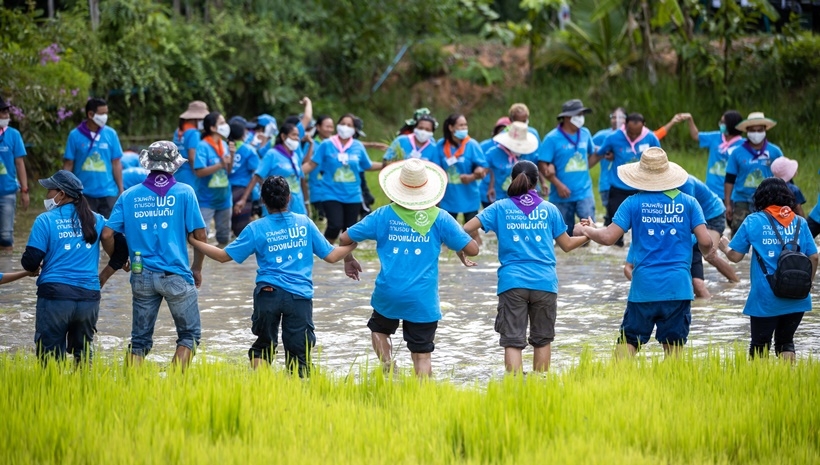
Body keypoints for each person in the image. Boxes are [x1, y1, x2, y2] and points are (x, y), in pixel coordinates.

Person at [188, 176, 357, 374]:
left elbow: (223, 257)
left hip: (268, 293)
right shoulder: (304, 223)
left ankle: (260, 388)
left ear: (263, 201)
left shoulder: (256, 228)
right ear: (289, 198)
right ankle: (298, 393)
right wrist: (351, 244)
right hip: (299, 296)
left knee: (263, 348)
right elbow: (331, 256)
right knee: (299, 355)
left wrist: (194, 241)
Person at [339, 159, 479, 377]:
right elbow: (473, 250)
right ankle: (422, 397)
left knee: (379, 329)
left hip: (389, 292)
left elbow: (344, 237)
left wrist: (348, 259)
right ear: (428, 188)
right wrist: (458, 246)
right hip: (423, 298)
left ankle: (389, 368)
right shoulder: (440, 218)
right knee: (422, 354)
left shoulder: (383, 215)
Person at [574, 148, 713, 357]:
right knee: (674, 351)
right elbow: (706, 242)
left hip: (644, 287)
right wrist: (702, 248)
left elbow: (608, 237)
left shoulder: (633, 202)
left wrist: (585, 229)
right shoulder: (689, 203)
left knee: (628, 342)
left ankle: (617, 385)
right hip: (678, 287)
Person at [462, 160, 589, 373]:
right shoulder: (549, 209)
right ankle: (539, 388)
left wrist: (463, 251)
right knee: (542, 340)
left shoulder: (500, 207)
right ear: (536, 181)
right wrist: (585, 234)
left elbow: (466, 227)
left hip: (512, 283)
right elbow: (566, 245)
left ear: (513, 180)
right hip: (545, 282)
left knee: (512, 341)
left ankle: (515, 389)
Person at [102, 141, 207, 369]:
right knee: (189, 336)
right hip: (176, 273)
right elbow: (200, 235)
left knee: (139, 341)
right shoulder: (185, 193)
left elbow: (107, 234)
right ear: (174, 165)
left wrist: (120, 260)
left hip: (141, 274)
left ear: (148, 164)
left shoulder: (129, 196)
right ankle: (175, 386)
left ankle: (130, 389)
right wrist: (196, 267)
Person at [20, 171, 116, 363]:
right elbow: (119, 250)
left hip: (55, 297)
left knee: (50, 360)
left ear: (61, 194)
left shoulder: (45, 220)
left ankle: (51, 392)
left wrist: (37, 265)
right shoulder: (97, 220)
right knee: (84, 356)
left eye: (49, 190)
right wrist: (105, 274)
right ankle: (84, 391)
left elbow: (30, 262)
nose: (47, 195)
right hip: (89, 297)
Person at [718, 178, 817, 361]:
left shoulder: (753, 221)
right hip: (798, 296)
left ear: (760, 198)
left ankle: (757, 384)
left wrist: (724, 247)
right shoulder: (800, 222)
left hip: (766, 297)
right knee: (786, 342)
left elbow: (736, 257)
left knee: (759, 346)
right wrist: (808, 283)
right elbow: (815, 256)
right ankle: (789, 382)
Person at [303, 114, 382, 242]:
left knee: (349, 231)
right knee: (335, 225)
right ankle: (325, 252)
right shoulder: (327, 144)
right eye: (343, 124)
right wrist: (295, 172)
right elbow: (312, 164)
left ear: (355, 130)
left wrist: (386, 165)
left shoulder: (358, 146)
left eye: (349, 125)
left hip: (353, 195)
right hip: (330, 193)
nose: (345, 127)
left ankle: (347, 259)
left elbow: (367, 165)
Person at [593, 112, 662, 246]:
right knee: (615, 229)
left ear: (644, 126)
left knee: (645, 227)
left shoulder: (651, 138)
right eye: (631, 132)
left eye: (637, 133)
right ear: (625, 126)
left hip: (643, 189)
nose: (634, 136)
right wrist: (609, 154)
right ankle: (615, 251)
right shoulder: (613, 137)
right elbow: (600, 152)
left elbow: (660, 158)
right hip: (619, 188)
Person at [538, 99, 595, 235]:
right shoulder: (552, 138)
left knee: (589, 233)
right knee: (563, 236)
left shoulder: (585, 133)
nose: (581, 118)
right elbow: (542, 164)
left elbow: (592, 155)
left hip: (584, 192)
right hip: (561, 195)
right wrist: (558, 185)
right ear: (567, 117)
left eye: (582, 114)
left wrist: (606, 154)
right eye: (578, 114)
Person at [679, 175, 740, 296]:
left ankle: (736, 282)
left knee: (709, 254)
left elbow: (689, 213)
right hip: (700, 216)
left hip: (713, 214)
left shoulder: (687, 184)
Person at [63, 97, 124, 218]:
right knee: (87, 231)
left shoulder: (110, 134)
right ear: (90, 114)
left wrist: (121, 190)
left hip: (108, 192)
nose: (105, 116)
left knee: (109, 233)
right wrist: (65, 189)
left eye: (106, 113)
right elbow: (68, 164)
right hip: (84, 193)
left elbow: (116, 163)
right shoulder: (75, 135)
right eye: (102, 113)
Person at [725, 112, 783, 236]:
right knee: (738, 235)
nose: (756, 133)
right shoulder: (737, 153)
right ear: (747, 131)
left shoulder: (775, 151)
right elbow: (729, 179)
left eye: (759, 130)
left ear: (765, 130)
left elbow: (785, 176)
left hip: (769, 200)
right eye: (753, 130)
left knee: (768, 235)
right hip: (742, 200)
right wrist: (728, 204)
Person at [236, 123, 307, 216]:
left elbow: (300, 179)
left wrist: (306, 202)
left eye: (298, 135)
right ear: (283, 136)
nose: (297, 138)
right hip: (276, 206)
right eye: (293, 135)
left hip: (297, 205)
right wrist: (243, 199)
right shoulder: (272, 154)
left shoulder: (295, 156)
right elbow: (257, 176)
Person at [434, 113, 487, 225]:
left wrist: (473, 175)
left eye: (465, 125)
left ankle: (477, 243)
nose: (464, 128)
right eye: (461, 125)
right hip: (448, 196)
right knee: (448, 229)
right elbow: (436, 168)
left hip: (469, 195)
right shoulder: (441, 145)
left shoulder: (472, 145)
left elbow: (483, 167)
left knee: (471, 230)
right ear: (451, 127)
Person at [679, 110, 745, 198]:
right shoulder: (715, 137)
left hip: (731, 193)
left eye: (723, 122)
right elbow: (695, 135)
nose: (720, 124)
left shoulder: (743, 145)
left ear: (731, 125)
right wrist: (690, 120)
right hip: (712, 190)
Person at [194, 111, 234, 246]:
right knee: (201, 237)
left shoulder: (224, 145)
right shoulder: (202, 146)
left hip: (224, 198)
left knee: (224, 238)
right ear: (212, 128)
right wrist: (220, 164)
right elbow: (199, 172)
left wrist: (232, 155)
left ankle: (223, 267)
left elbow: (228, 171)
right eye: (222, 123)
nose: (225, 125)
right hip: (206, 199)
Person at [485, 121, 539, 206]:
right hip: (497, 198)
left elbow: (536, 169)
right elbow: (485, 170)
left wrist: (542, 183)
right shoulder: (493, 154)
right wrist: (490, 187)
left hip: (520, 199)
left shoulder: (528, 154)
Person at [0, 96, 29, 251]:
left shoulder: (14, 135)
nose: (6, 117)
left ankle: (5, 269)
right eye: (3, 113)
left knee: (6, 236)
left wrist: (25, 190)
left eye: (7, 113)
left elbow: (20, 163)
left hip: (8, 192)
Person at [227, 121, 260, 236]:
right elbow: (257, 174)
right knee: (242, 232)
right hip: (242, 192)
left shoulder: (224, 148)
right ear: (243, 134)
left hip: (226, 191)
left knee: (227, 229)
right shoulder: (249, 150)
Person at [591, 107, 626, 217]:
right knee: (614, 217)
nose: (616, 120)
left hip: (628, 184)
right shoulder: (602, 135)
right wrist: (602, 150)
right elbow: (587, 147)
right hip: (607, 184)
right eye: (613, 117)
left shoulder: (630, 136)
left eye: (620, 117)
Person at [173, 100, 209, 187]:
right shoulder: (194, 133)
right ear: (197, 119)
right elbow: (192, 157)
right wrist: (197, 173)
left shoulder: (178, 130)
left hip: (177, 172)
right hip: (189, 173)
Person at [307, 114, 334, 222]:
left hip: (333, 191)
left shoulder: (334, 145)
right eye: (327, 126)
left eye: (331, 127)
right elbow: (306, 163)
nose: (329, 129)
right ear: (318, 127)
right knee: (320, 221)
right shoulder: (312, 144)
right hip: (317, 192)